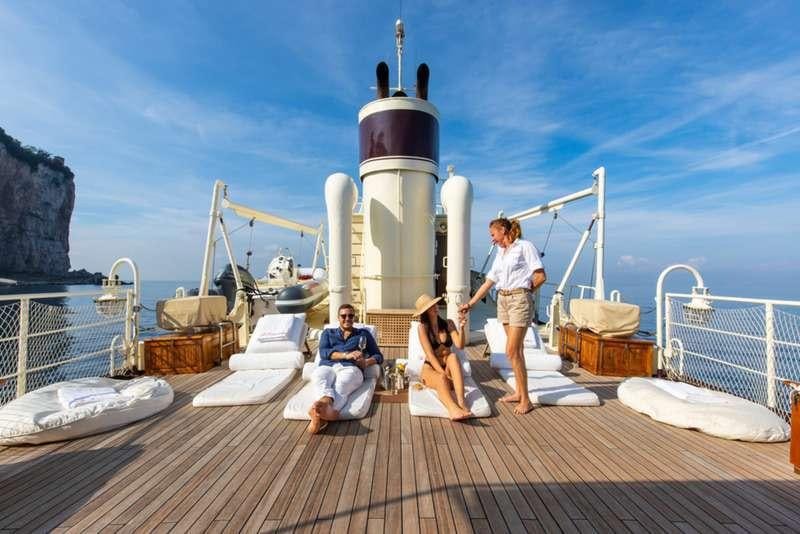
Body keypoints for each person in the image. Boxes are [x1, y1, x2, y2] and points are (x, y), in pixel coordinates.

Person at [460, 217, 547, 415]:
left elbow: (540, 276)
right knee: (516, 351)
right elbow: (489, 282)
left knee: (512, 351)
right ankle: (519, 393)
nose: (492, 239)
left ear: (504, 230)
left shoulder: (524, 246)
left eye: (493, 234)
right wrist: (470, 304)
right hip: (502, 300)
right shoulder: (500, 253)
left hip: (518, 299)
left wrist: (525, 293)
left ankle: (526, 400)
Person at [308, 303, 383, 433]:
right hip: (328, 365)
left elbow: (378, 356)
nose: (347, 318)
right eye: (343, 316)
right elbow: (324, 352)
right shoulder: (328, 333)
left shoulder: (363, 334)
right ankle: (328, 411)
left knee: (342, 384)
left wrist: (366, 362)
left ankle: (319, 413)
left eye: (350, 316)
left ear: (354, 317)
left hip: (350, 368)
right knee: (319, 377)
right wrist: (346, 355)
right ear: (338, 318)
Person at [414, 293, 472, 421]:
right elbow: (430, 355)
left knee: (453, 356)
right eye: (431, 306)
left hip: (448, 367)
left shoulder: (448, 323)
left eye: (435, 304)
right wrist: (443, 374)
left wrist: (462, 328)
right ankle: (453, 409)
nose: (435, 307)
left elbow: (460, 345)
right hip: (431, 368)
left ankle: (461, 401)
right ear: (425, 312)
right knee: (441, 378)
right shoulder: (422, 328)